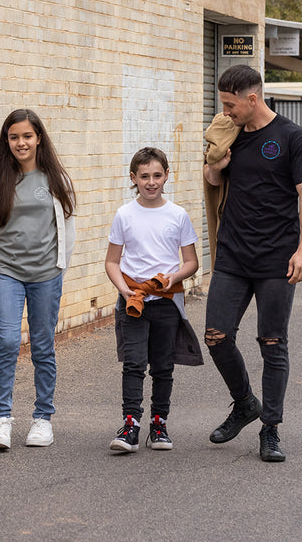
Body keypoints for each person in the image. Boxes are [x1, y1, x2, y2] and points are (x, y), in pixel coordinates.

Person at [202, 64, 302, 462]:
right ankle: (244, 403)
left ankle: (270, 428)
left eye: (231, 104)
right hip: (233, 255)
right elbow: (214, 179)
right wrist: (216, 164)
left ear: (252, 99)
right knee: (216, 335)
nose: (226, 111)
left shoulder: (291, 137)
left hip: (276, 259)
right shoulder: (229, 132)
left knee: (272, 342)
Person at [0, 109, 76, 450]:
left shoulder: (55, 179)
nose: (21, 143)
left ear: (38, 138)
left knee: (42, 347)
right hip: (7, 272)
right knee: (7, 342)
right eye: (14, 137)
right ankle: (1, 420)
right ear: (6, 142)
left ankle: (42, 419)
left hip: (46, 275)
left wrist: (59, 265)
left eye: (26, 136)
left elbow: (67, 226)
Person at [105, 147, 201, 452]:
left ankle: (159, 424)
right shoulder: (124, 214)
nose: (151, 182)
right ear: (133, 178)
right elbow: (111, 261)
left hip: (166, 301)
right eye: (144, 176)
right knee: (134, 363)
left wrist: (172, 279)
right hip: (133, 302)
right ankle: (130, 425)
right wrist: (124, 291)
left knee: (162, 365)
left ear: (167, 176)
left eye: (157, 175)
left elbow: (191, 262)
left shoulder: (178, 215)